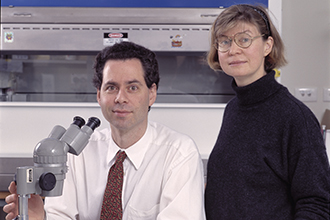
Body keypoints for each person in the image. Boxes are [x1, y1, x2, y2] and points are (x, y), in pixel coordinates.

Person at [4, 41, 206, 220]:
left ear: (151, 94)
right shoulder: (76, 152)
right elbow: (59, 215)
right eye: (111, 87)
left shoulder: (179, 153)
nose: (120, 98)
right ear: (99, 95)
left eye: (132, 87)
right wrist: (40, 217)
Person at [205, 4, 330, 220]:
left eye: (244, 39)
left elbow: (316, 205)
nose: (233, 50)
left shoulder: (294, 117)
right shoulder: (233, 109)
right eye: (224, 41)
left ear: (267, 45)